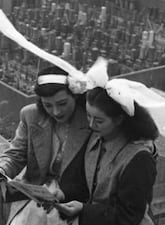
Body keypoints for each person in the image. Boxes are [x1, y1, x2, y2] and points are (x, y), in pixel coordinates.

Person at [0, 65, 91, 225]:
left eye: (62, 103)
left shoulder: (90, 122)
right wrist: (1, 169)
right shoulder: (31, 116)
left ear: (75, 96)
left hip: (71, 197)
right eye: (48, 105)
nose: (56, 111)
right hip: (36, 191)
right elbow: (16, 154)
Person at [56, 86, 159, 225]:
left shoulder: (139, 158)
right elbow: (84, 184)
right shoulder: (95, 139)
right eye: (88, 116)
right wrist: (62, 195)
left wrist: (84, 210)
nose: (91, 125)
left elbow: (128, 215)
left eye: (99, 121)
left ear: (118, 120)